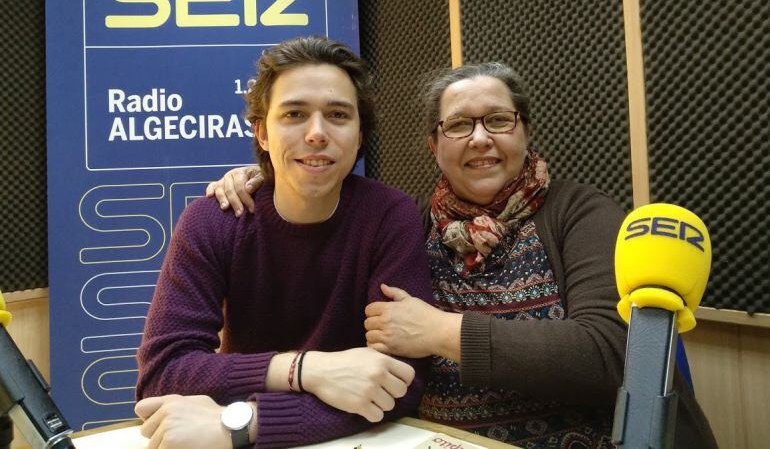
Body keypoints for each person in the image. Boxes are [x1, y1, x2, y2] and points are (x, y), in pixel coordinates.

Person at [209, 62, 717, 448]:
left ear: (525, 131)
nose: (479, 139)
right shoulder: (408, 226)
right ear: (434, 145)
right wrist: (275, 180)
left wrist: (442, 332)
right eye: (457, 126)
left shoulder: (582, 213)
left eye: (498, 119)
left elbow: (616, 354)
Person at [135, 36, 432, 449]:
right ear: (262, 132)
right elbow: (162, 374)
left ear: (360, 135)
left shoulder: (390, 216)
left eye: (338, 115)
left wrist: (246, 423)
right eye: (294, 114)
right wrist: (304, 370)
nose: (316, 133)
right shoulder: (213, 220)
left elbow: (401, 380)